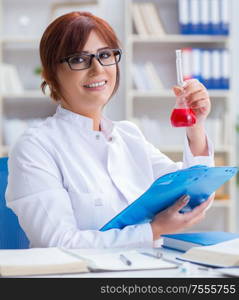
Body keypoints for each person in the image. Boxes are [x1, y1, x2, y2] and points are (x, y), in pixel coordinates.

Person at [6, 12, 214, 249]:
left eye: (105, 55)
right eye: (79, 59)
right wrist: (154, 230)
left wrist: (196, 127)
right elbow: (58, 243)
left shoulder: (129, 135)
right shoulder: (35, 147)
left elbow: (193, 197)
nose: (97, 69)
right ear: (51, 76)